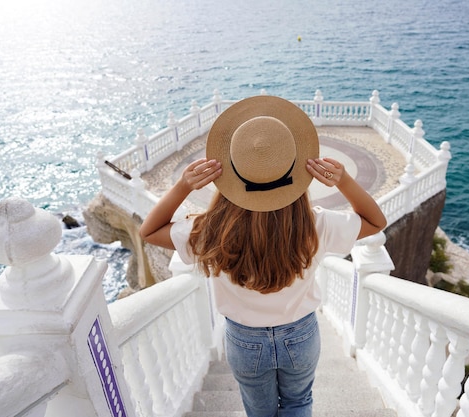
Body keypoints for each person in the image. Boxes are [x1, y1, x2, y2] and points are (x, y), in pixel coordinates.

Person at [139, 95, 387, 417]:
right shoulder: (315, 224)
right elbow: (376, 222)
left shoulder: (211, 231)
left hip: (244, 340)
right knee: (298, 403)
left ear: (229, 177)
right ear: (295, 176)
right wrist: (344, 181)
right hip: (300, 334)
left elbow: (149, 230)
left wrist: (183, 186)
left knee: (259, 412)